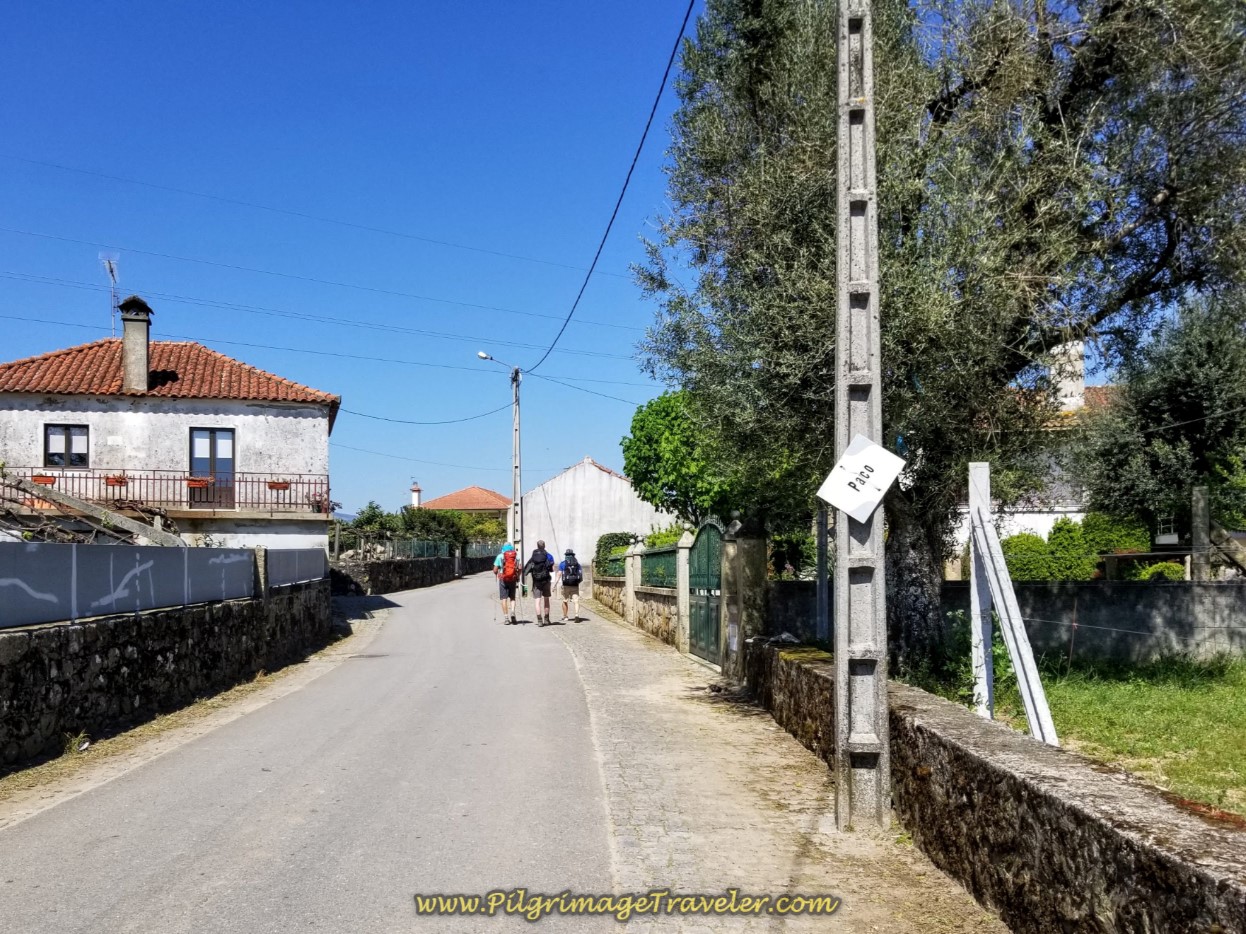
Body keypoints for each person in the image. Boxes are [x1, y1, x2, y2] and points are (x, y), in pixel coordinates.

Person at [523, 539, 556, 626]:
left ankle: (539, 621)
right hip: (546, 580)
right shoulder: (549, 556)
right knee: (546, 599)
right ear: (544, 546)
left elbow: (526, 569)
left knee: (537, 601)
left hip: (536, 581)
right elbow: (552, 570)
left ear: (537, 546)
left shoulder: (533, 557)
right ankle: (546, 619)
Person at [493, 543, 520, 625]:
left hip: (503, 579)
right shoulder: (515, 556)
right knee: (512, 598)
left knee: (504, 598)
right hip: (513, 579)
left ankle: (506, 618)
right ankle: (512, 612)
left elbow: (494, 570)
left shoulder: (499, 556)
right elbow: (520, 568)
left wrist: (496, 573)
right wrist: (518, 576)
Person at [557, 548, 583, 622]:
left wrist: (555, 584)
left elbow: (559, 574)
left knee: (565, 601)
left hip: (566, 585)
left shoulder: (563, 564)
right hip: (575, 585)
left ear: (565, 555)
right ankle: (576, 615)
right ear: (573, 555)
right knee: (576, 601)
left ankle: (565, 616)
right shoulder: (577, 564)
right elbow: (581, 576)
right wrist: (577, 582)